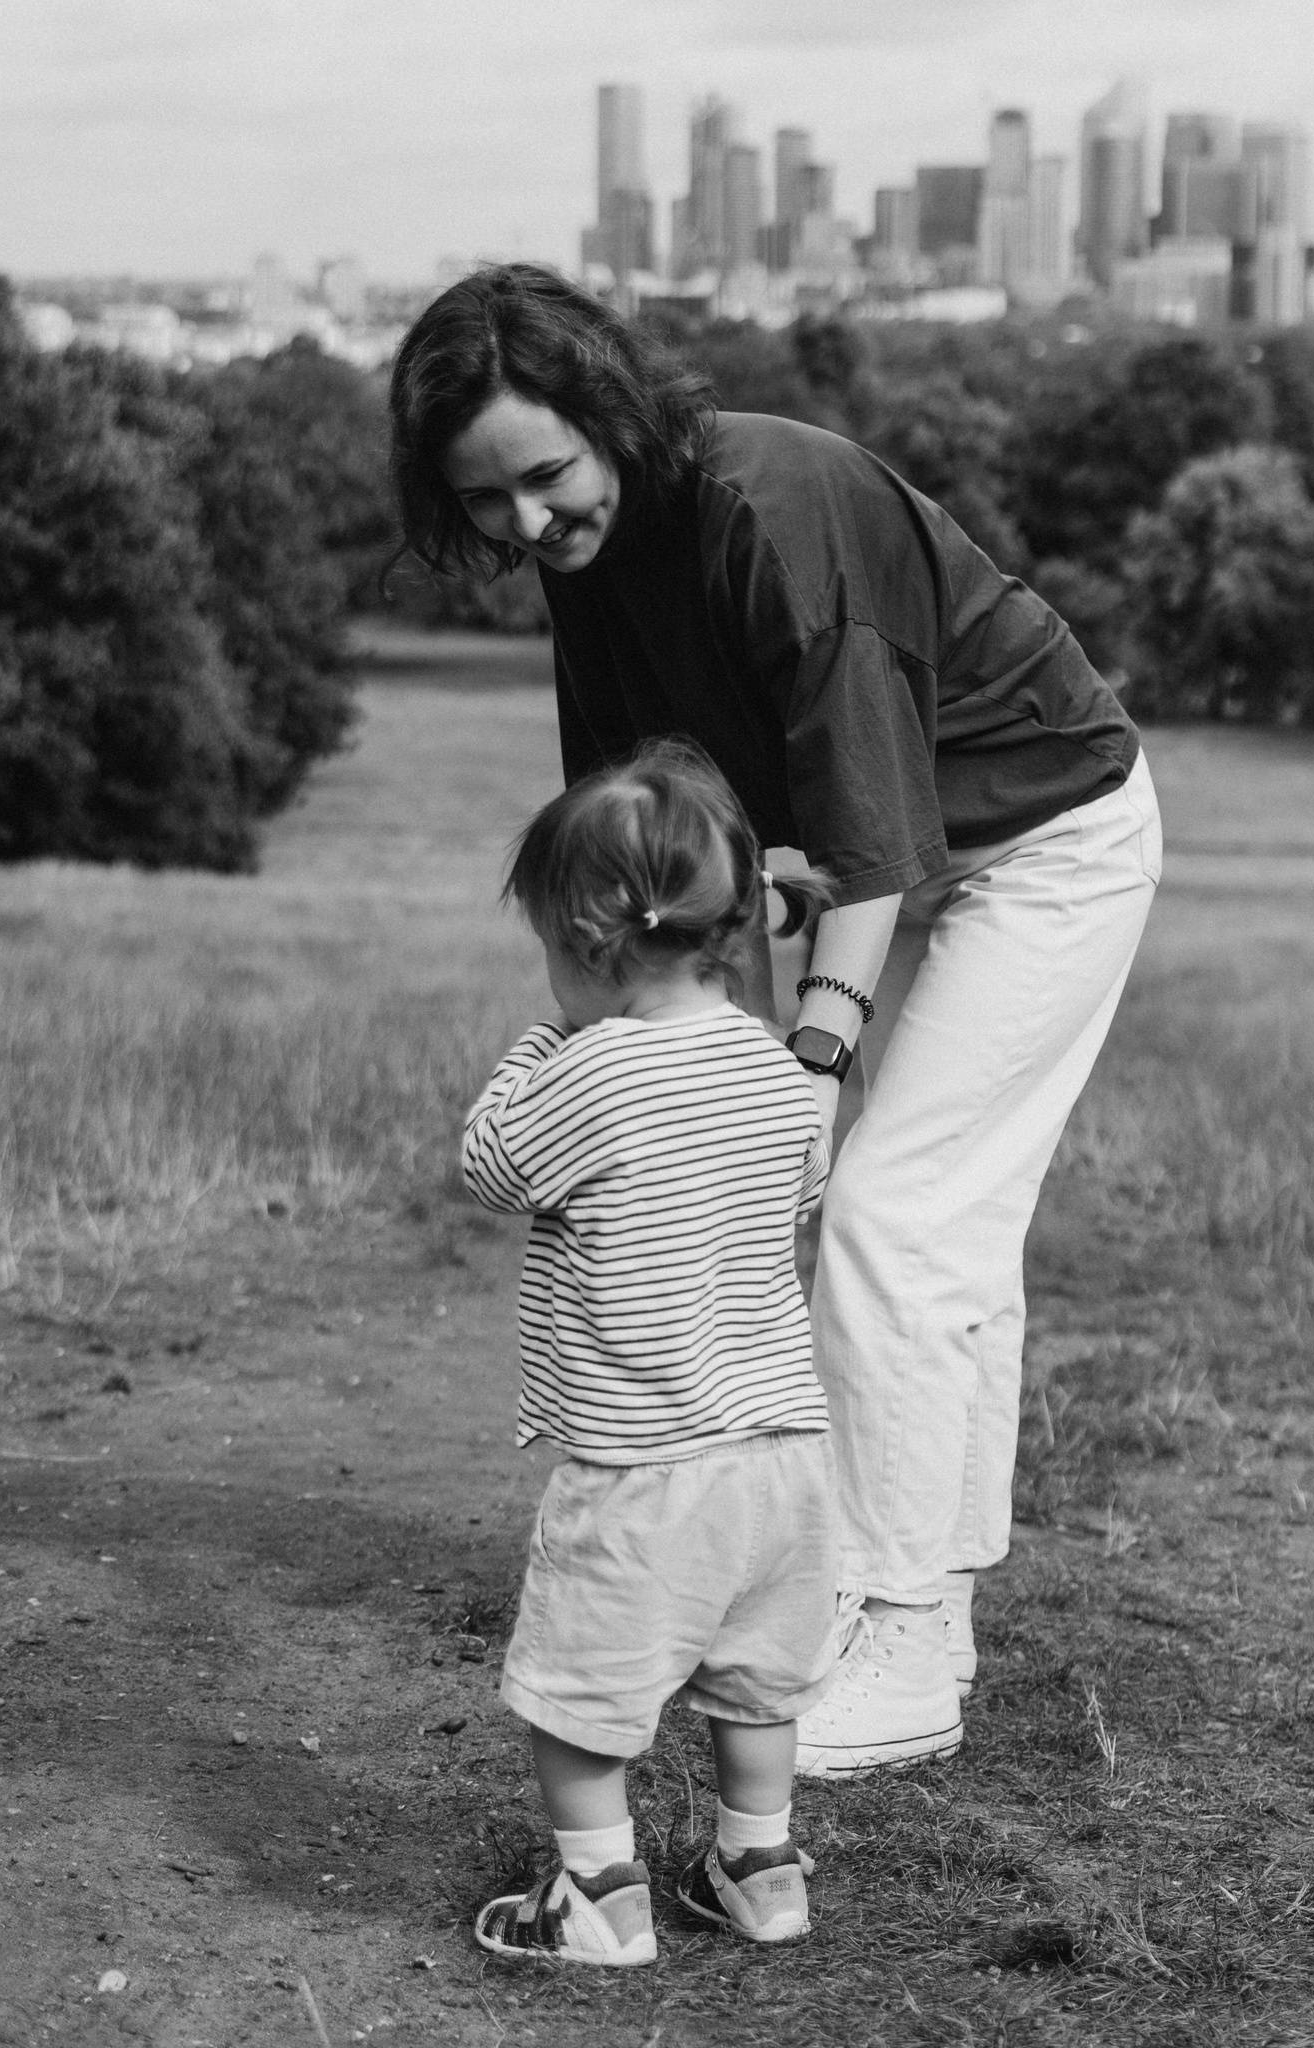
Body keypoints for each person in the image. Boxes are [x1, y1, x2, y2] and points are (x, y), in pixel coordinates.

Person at [395, 265, 1163, 1778]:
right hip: (866, 863)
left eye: (545, 476)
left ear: (611, 414)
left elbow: (871, 835)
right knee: (912, 1230)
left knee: (895, 1212)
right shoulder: (587, 559)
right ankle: (909, 1593)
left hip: (1043, 841)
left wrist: (806, 1060)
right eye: (487, 500)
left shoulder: (770, 507)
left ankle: (904, 1636)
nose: (528, 524)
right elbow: (668, 851)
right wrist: (700, 1066)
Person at [461, 742, 842, 1967]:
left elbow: (489, 1164)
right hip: (781, 1456)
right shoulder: (777, 1072)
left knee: (580, 1691)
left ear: (587, 941)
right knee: (757, 1682)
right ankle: (760, 1867)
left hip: (644, 1462)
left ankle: (597, 1894)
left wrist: (540, 1042)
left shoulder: (589, 1068)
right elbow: (792, 1197)